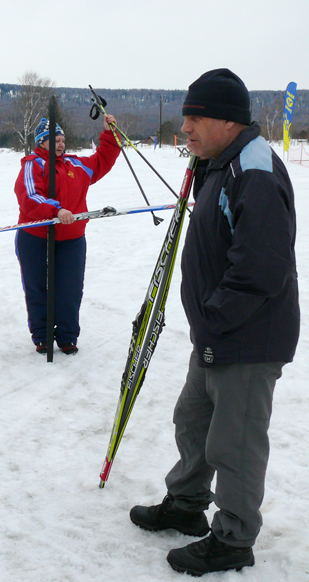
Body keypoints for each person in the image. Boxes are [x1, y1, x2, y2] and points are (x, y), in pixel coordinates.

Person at [129, 69, 300, 576]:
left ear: (228, 121)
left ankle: (233, 539)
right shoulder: (218, 162)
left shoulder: (254, 170)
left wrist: (215, 315)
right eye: (185, 117)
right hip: (216, 330)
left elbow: (261, 267)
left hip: (246, 335)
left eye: (195, 118)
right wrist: (207, 322)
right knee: (193, 420)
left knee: (235, 442)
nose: (185, 128)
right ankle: (186, 505)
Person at [14, 113, 121, 355]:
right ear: (42, 142)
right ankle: (42, 335)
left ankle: (67, 336)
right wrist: (56, 210)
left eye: (63, 140)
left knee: (70, 289)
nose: (61, 144)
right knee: (37, 287)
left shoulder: (75, 164)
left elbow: (102, 160)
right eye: (55, 140)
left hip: (72, 238)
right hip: (36, 237)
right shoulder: (33, 164)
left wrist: (110, 134)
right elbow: (29, 196)